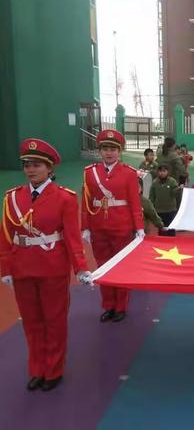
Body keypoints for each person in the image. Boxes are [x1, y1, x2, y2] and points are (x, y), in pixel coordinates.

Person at [0, 139, 90, 392]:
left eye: (37, 165)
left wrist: (81, 268)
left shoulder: (65, 198)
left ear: (50, 169)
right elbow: (6, 235)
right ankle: (37, 368)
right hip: (22, 269)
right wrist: (5, 268)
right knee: (31, 321)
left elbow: (73, 238)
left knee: (54, 320)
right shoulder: (13, 197)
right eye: (27, 164)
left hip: (53, 269)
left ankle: (53, 370)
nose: (31, 169)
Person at [82, 130, 144, 323]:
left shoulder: (129, 173)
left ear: (120, 151)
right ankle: (108, 305)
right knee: (103, 266)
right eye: (105, 149)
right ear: (100, 151)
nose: (109, 153)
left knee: (121, 266)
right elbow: (86, 202)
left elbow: (135, 202)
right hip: (98, 227)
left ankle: (121, 306)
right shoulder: (90, 173)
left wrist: (139, 227)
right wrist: (85, 227)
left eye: (113, 149)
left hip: (122, 227)